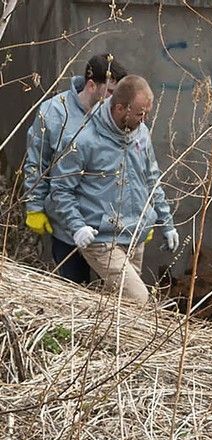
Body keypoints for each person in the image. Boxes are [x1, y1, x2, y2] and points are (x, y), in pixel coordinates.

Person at [47, 74, 179, 305]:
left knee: (120, 306)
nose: (145, 119)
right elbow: (61, 188)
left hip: (134, 232)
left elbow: (151, 178)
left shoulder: (141, 134)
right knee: (137, 298)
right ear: (120, 108)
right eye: (140, 113)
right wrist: (77, 226)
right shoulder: (83, 139)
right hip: (101, 236)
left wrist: (166, 222)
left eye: (147, 112)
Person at [23, 52, 129, 284]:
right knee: (73, 287)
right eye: (110, 92)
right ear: (92, 85)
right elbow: (36, 161)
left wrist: (143, 212)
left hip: (108, 227)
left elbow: (133, 166)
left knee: (113, 297)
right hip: (66, 225)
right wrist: (34, 206)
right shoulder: (54, 112)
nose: (115, 101)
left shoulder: (118, 117)